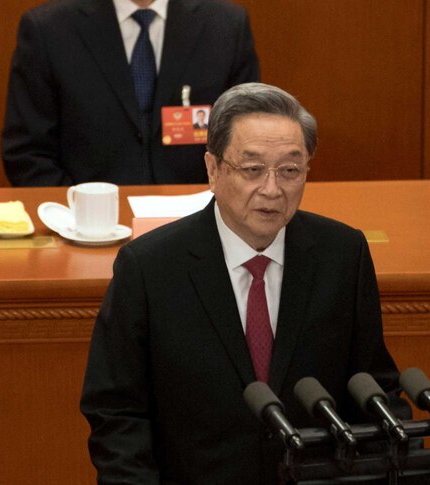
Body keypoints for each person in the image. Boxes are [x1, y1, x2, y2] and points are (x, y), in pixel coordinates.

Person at [80, 83, 403, 483]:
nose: (272, 189)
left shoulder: (342, 254)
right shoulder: (149, 267)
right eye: (252, 169)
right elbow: (117, 413)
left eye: (290, 170)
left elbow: (375, 390)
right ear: (213, 170)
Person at [1, 0, 260, 186]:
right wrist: (80, 214)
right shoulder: (48, 29)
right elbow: (27, 153)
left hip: (200, 226)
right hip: (83, 228)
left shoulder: (226, 26)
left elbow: (248, 142)